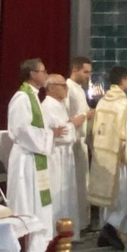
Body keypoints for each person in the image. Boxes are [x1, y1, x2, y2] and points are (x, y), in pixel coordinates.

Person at [5, 59, 67, 252]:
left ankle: (37, 250)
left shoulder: (32, 96)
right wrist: (50, 134)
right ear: (32, 74)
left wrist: (50, 134)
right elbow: (21, 130)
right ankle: (24, 251)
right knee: (26, 203)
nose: (46, 75)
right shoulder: (22, 98)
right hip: (25, 159)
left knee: (36, 204)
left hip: (34, 157)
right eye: (43, 71)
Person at [88, 66, 127, 252]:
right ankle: (110, 229)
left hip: (103, 155)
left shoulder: (103, 102)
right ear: (123, 80)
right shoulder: (125, 105)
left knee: (108, 196)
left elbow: (95, 128)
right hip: (120, 158)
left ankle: (107, 232)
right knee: (123, 196)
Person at [42, 73, 87, 236]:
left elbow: (62, 129)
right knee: (58, 195)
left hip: (65, 156)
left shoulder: (58, 105)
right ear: (51, 88)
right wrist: (74, 123)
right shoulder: (48, 106)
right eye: (63, 85)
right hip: (55, 157)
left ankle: (66, 232)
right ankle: (56, 233)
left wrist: (70, 125)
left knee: (66, 195)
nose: (66, 88)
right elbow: (59, 133)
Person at [66, 57, 95, 234]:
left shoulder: (79, 90)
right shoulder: (68, 88)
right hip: (73, 143)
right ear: (75, 70)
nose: (88, 76)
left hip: (81, 143)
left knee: (83, 185)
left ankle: (83, 224)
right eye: (85, 72)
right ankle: (75, 225)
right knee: (76, 186)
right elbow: (69, 116)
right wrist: (86, 116)